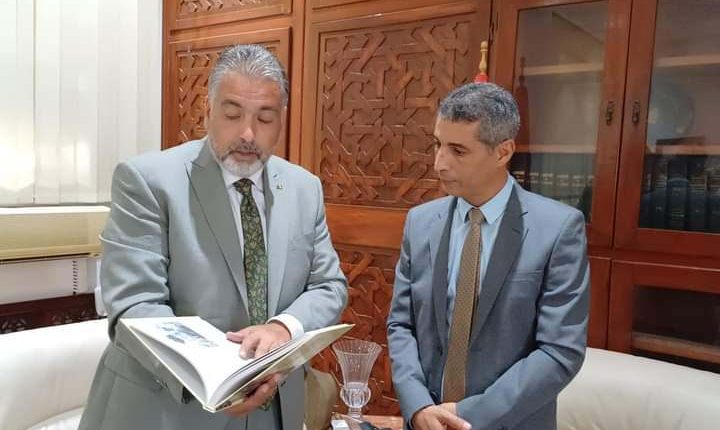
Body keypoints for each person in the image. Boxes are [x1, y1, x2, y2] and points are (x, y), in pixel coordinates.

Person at [79, 44, 348, 430]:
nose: (248, 133)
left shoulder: (304, 189)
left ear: (282, 120)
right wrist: (220, 378)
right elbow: (135, 306)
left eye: (265, 117)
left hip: (274, 411)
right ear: (208, 110)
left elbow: (329, 286)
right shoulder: (148, 182)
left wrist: (283, 327)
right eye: (232, 114)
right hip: (169, 410)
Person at [387, 82, 589, 430]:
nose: (439, 163)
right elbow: (401, 325)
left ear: (502, 152)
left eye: (458, 151)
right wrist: (419, 407)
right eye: (437, 144)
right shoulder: (420, 223)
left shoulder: (558, 229)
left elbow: (559, 351)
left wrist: (468, 416)